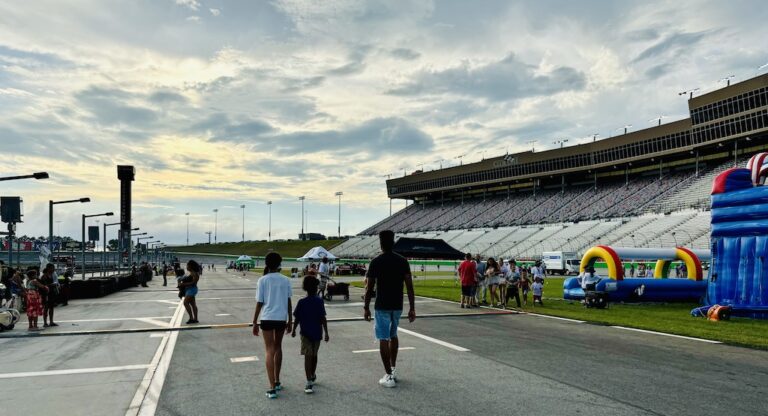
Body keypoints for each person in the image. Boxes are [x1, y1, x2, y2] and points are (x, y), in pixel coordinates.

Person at [363, 230, 416, 388]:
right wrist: (412, 308)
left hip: (382, 304)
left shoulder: (376, 261)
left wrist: (366, 307)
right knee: (393, 335)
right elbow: (410, 286)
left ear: (380, 243)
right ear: (393, 243)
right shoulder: (402, 261)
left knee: (383, 338)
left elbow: (369, 288)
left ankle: (388, 375)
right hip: (397, 304)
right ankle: (393, 368)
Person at [252, 252, 292, 399]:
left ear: (266, 264)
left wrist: (255, 322)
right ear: (279, 263)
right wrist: (290, 320)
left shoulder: (262, 280)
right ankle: (277, 380)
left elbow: (259, 303)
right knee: (278, 347)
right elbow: (288, 301)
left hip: (267, 318)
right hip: (281, 318)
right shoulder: (286, 280)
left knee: (269, 350)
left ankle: (271, 387)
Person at [291, 276, 329, 394]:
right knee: (313, 355)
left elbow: (297, 318)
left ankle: (309, 380)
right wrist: (326, 332)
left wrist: (293, 329)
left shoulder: (302, 302)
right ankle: (311, 376)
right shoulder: (319, 301)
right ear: (316, 287)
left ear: (305, 288)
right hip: (316, 332)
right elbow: (323, 318)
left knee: (309, 356)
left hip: (306, 332)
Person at [178, 260, 200, 324]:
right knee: (193, 304)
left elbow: (193, 283)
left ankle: (191, 318)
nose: (186, 266)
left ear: (191, 266)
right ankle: (195, 319)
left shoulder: (195, 274)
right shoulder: (191, 273)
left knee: (185, 302)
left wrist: (183, 284)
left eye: (187, 265)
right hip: (189, 289)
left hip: (192, 289)